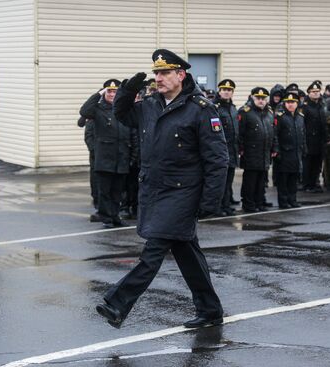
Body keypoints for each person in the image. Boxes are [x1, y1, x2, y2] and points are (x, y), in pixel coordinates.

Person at [96, 49, 228, 329]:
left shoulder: (200, 109)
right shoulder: (150, 105)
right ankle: (210, 310)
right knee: (186, 252)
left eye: (165, 72)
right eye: (156, 73)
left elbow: (217, 159)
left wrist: (210, 200)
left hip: (183, 193)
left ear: (181, 75)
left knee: (154, 249)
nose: (159, 78)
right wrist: (129, 87)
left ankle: (117, 303)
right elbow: (121, 113)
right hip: (155, 190)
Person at [79, 79, 132, 228]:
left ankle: (115, 216)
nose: (112, 94)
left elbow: (131, 133)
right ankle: (106, 218)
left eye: (115, 92)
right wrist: (98, 94)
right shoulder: (97, 109)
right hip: (105, 159)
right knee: (104, 192)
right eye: (109, 91)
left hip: (121, 157)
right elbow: (84, 111)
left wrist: (131, 156)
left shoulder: (123, 110)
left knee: (118, 191)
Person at [238, 87, 277, 212]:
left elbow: (273, 132)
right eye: (258, 98)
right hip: (251, 152)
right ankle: (249, 204)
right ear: (252, 98)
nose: (261, 101)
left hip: (265, 152)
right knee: (250, 181)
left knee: (262, 180)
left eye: (263, 99)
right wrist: (241, 148)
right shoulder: (245, 112)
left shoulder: (270, 113)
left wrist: (274, 147)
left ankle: (259, 202)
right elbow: (240, 133)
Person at [274, 92, 305, 208]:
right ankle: (283, 201)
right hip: (284, 152)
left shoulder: (300, 118)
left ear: (297, 104)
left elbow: (303, 134)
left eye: (293, 102)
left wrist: (304, 148)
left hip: (296, 152)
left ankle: (292, 199)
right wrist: (277, 151)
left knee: (293, 178)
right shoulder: (280, 117)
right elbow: (275, 135)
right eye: (288, 102)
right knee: (284, 179)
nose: (290, 105)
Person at [214, 79, 239, 215]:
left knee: (228, 182)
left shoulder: (233, 108)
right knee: (219, 182)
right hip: (220, 151)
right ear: (219, 91)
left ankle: (226, 205)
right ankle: (217, 207)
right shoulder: (214, 107)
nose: (226, 92)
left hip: (232, 151)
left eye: (229, 90)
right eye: (224, 90)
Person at [302, 81, 327, 193]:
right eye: (313, 92)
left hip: (319, 140)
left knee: (317, 164)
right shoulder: (305, 107)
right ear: (309, 93)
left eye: (318, 91)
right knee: (308, 164)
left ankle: (314, 183)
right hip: (308, 139)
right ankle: (307, 184)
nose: (316, 93)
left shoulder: (322, 105)